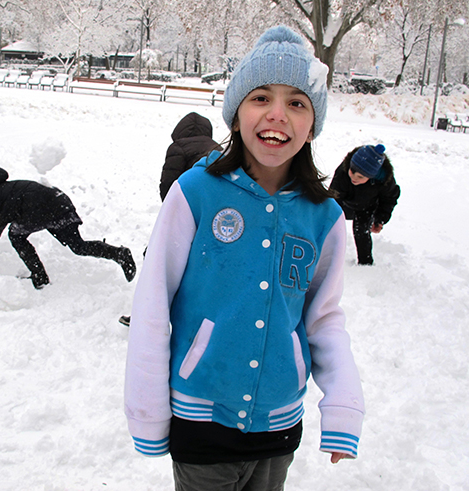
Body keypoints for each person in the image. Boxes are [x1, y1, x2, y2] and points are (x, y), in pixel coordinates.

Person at [124, 25, 365, 491]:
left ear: (312, 124)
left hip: (279, 425)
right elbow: (152, 308)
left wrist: (343, 405)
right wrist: (148, 412)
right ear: (235, 116)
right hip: (200, 419)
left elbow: (324, 319)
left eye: (297, 102)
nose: (278, 114)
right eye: (260, 98)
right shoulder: (194, 194)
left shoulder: (325, 217)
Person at [0, 166, 136, 289]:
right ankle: (120, 254)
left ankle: (40, 277)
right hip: (58, 202)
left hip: (42, 209)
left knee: (16, 236)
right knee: (78, 246)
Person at [119, 113, 223, 327]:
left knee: (157, 261)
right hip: (219, 218)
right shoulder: (220, 149)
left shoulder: (178, 148)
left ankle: (146, 316)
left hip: (189, 213)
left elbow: (168, 187)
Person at [329, 144, 400, 265]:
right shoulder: (343, 171)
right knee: (331, 226)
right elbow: (333, 197)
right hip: (345, 203)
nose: (353, 178)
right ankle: (327, 257)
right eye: (352, 172)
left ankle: (365, 264)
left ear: (372, 176)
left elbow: (389, 199)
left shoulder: (384, 181)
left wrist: (379, 219)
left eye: (360, 177)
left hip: (367, 206)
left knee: (361, 231)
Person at [159, 112, 223, 201]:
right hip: (217, 203)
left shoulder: (178, 147)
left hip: (189, 201)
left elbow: (169, 182)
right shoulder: (218, 148)